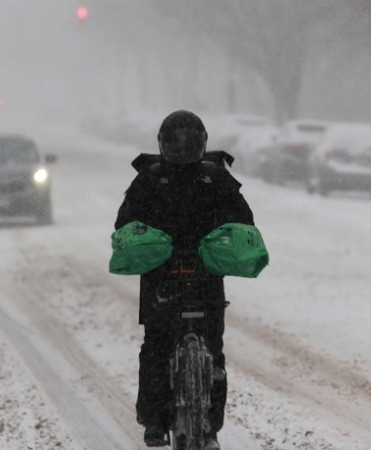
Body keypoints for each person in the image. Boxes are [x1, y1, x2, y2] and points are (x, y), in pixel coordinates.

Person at [114, 110, 255, 448]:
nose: (180, 152)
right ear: (162, 145)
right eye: (174, 146)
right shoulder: (148, 180)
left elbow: (244, 221)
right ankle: (154, 419)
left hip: (206, 276)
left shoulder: (216, 178)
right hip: (161, 277)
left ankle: (210, 428)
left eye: (187, 145)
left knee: (213, 351)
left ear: (201, 145)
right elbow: (125, 225)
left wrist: (229, 240)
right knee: (156, 347)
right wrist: (144, 243)